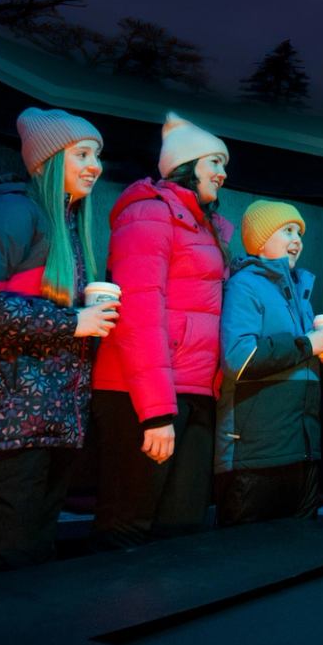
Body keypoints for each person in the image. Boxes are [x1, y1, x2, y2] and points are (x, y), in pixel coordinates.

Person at [0, 108, 119, 578]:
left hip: (50, 426)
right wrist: (71, 323)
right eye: (81, 153)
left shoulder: (70, 228)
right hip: (5, 426)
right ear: (49, 160)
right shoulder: (14, 211)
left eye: (97, 154)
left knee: (30, 571)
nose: (94, 164)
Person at [90, 112, 233, 546]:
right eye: (215, 163)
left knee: (181, 528)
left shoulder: (207, 229)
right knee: (128, 524)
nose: (223, 174)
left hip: (194, 392)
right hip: (144, 394)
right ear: (185, 165)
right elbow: (140, 313)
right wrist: (156, 411)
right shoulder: (149, 215)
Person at [215, 201, 323, 525]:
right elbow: (238, 358)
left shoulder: (298, 293)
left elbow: (299, 362)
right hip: (255, 456)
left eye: (300, 232)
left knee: (296, 556)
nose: (297, 238)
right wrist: (308, 344)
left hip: (302, 451)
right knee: (246, 558)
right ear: (261, 240)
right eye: (287, 230)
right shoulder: (244, 285)